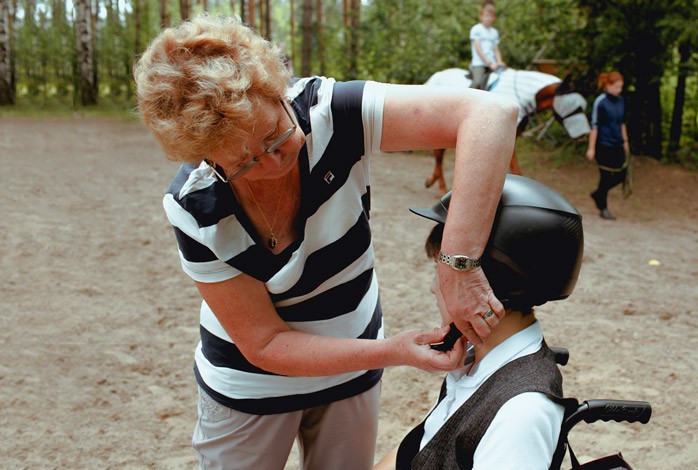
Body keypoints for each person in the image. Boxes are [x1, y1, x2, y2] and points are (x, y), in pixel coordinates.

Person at [133, 14, 518, 469]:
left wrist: (458, 265)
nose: (272, 162)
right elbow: (265, 343)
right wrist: (389, 351)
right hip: (250, 384)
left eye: (276, 134)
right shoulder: (194, 204)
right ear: (205, 155)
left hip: (353, 370)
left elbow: (491, 113)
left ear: (278, 91)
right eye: (243, 161)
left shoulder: (331, 110)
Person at [375, 174, 585, 470]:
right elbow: (414, 451)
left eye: (442, 270)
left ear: (488, 284)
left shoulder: (520, 414)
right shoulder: (477, 361)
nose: (434, 288)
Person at [585, 71, 629, 220]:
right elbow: (594, 125)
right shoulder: (601, 102)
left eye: (621, 87)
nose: (619, 90)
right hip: (603, 145)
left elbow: (622, 123)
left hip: (618, 144)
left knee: (622, 174)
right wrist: (591, 148)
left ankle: (598, 194)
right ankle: (603, 208)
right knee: (605, 177)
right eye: (617, 87)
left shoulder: (621, 101)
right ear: (608, 85)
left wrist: (625, 142)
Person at [469, 1, 506, 90]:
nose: (488, 18)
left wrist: (499, 61)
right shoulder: (476, 29)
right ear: (481, 16)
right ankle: (465, 97)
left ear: (494, 18)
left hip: (493, 64)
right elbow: (478, 49)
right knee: (477, 82)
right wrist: (489, 63)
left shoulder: (494, 32)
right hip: (480, 63)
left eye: (490, 16)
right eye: (486, 16)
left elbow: (496, 49)